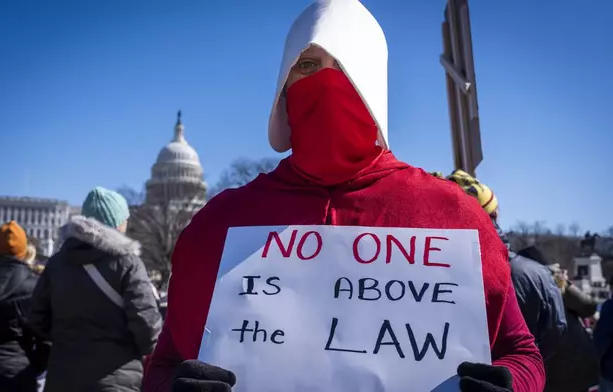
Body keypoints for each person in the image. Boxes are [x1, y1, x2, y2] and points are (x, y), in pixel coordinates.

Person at [144, 1, 544, 391]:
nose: (328, 82)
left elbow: (521, 352)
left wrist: (509, 384)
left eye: (348, 70)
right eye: (308, 65)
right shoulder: (220, 223)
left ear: (373, 86)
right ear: (284, 87)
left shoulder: (452, 214)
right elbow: (164, 363)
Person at [29, 187, 163, 392]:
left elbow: (37, 318)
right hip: (115, 380)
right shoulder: (128, 263)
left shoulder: (56, 264)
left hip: (62, 379)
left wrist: (67, 340)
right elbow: (147, 326)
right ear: (117, 223)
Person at [443, 169, 567, 360]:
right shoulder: (537, 273)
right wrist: (528, 368)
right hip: (524, 379)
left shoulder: (439, 269)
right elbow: (555, 330)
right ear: (495, 214)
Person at [0, 221, 49, 392]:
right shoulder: (35, 285)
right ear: (23, 252)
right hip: (17, 374)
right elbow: (46, 337)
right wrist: (36, 365)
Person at [544, 265, 599, 392]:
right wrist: (564, 282)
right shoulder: (554, 279)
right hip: (571, 364)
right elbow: (588, 305)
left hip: (548, 369)